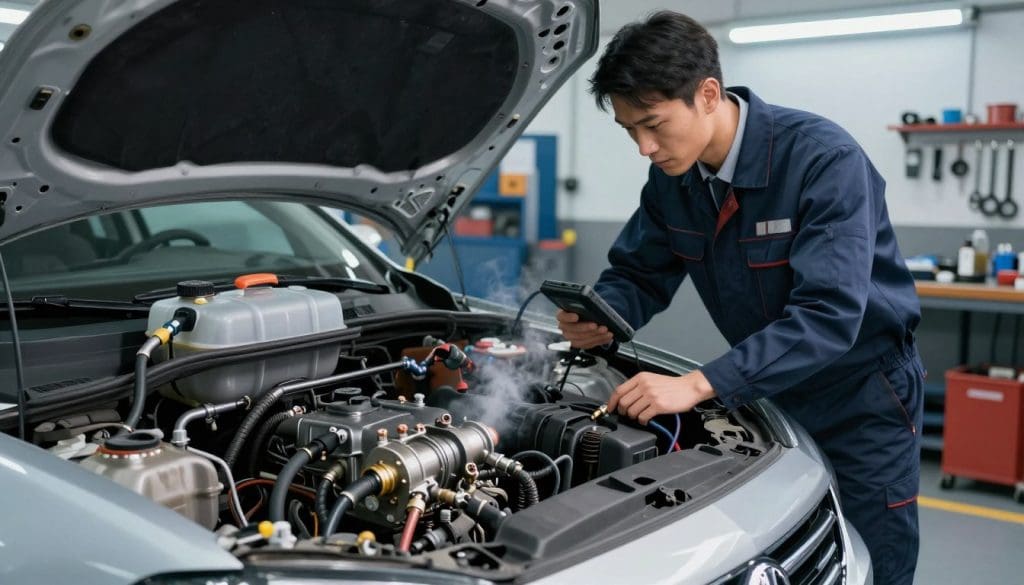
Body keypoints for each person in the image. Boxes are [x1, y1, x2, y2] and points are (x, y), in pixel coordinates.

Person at [556, 11, 923, 585]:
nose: (644, 147)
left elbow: (829, 317)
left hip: (860, 399)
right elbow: (640, 272)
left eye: (653, 124)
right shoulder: (673, 181)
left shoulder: (823, 162)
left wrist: (700, 384)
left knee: (867, 556)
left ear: (708, 94)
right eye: (630, 130)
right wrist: (604, 314)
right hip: (767, 393)